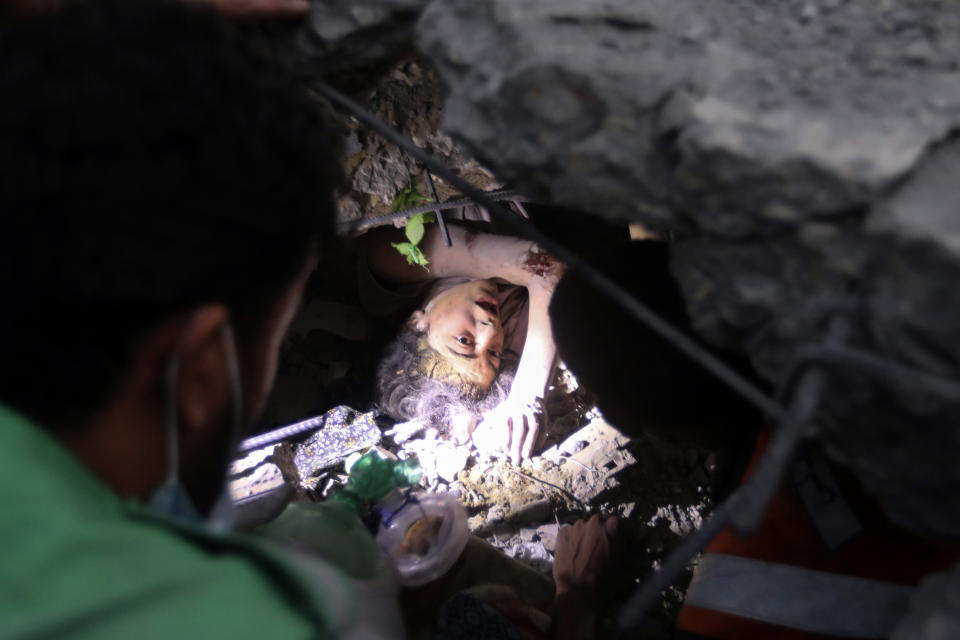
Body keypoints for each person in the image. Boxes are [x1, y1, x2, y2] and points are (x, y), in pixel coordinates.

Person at [362, 219, 564, 463]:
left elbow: (543, 263)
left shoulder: (390, 261)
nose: (491, 331)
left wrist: (529, 395)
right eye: (493, 353)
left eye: (464, 341)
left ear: (415, 324)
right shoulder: (509, 324)